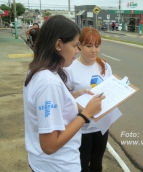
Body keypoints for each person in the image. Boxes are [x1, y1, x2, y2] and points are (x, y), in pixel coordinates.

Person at [23, 15, 105, 172]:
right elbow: (50, 145)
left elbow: (43, 106)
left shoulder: (38, 71)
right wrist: (87, 113)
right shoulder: (49, 83)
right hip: (58, 166)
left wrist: (71, 98)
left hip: (42, 163)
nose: (77, 51)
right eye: (75, 45)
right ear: (59, 44)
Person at [65, 27, 113, 172]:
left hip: (101, 126)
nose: (94, 50)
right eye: (89, 46)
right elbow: (64, 101)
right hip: (81, 128)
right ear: (79, 46)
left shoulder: (104, 66)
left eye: (97, 46)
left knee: (97, 163)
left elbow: (110, 90)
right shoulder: (70, 68)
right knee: (82, 164)